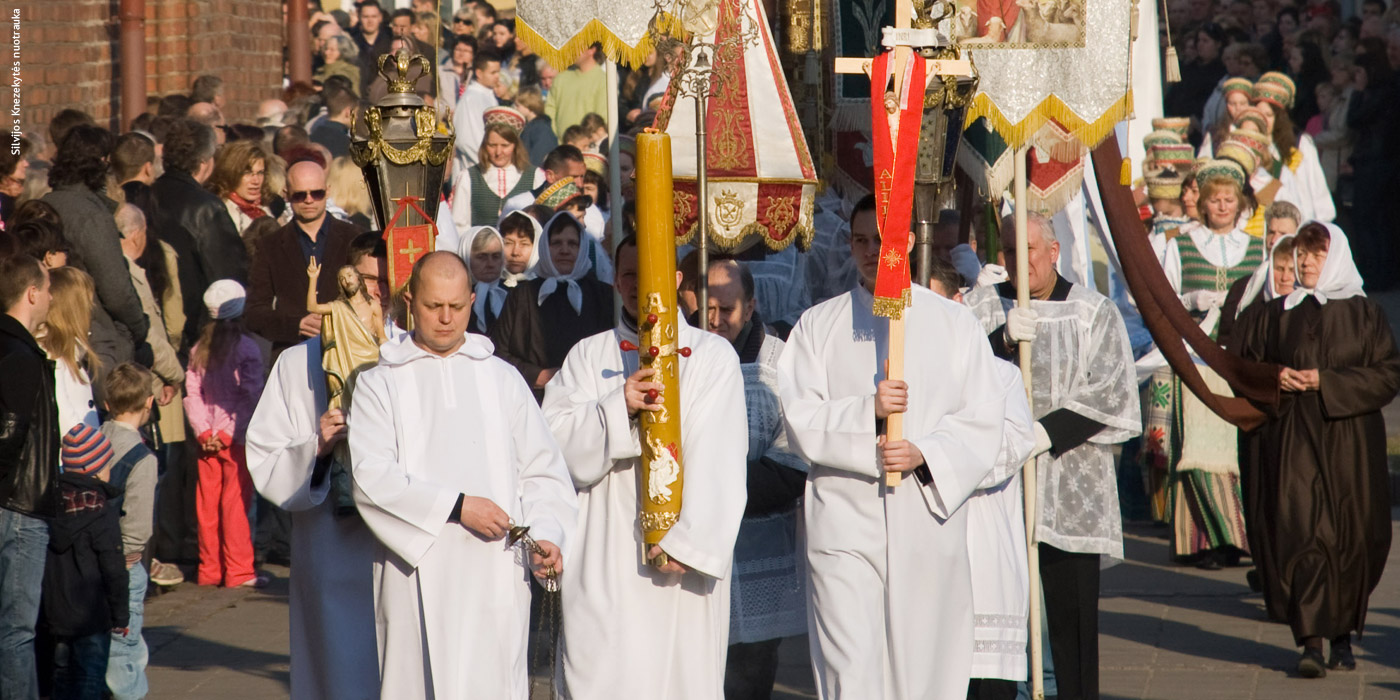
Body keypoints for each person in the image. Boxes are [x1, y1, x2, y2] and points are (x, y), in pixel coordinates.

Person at [778, 191, 1008, 700]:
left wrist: (925, 452)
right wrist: (867, 412)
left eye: (879, 240)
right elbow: (799, 417)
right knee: (850, 664)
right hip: (844, 516)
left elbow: (983, 417)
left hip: (923, 515)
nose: (867, 251)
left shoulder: (953, 325)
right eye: (859, 240)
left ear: (903, 242)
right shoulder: (820, 325)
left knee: (923, 660)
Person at [348, 251, 577, 698]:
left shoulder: (502, 379)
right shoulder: (381, 382)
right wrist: (457, 506)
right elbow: (370, 478)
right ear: (410, 299)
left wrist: (547, 534)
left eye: (458, 306)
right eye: (435, 306)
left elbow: (542, 471)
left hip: (495, 573)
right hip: (415, 570)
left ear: (473, 299)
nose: (447, 319)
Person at [542, 234, 746, 699]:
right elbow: (554, 449)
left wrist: (690, 545)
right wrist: (619, 409)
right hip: (604, 557)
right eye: (630, 274)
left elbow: (722, 459)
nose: (640, 285)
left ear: (676, 280)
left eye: (650, 273)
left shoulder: (713, 356)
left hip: (680, 570)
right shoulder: (588, 356)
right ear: (616, 281)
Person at [963, 212, 1140, 700]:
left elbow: (1111, 391)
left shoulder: (1091, 311)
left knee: (1071, 619)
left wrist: (1044, 434)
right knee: (993, 620)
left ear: (1055, 250)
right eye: (1009, 253)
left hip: (1068, 481)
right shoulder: (981, 308)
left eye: (1030, 251)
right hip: (997, 487)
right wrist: (999, 341)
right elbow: (956, 378)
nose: (1020, 264)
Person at [1232, 222, 1400, 677]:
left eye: (1315, 255)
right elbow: (1241, 363)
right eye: (1301, 255)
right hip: (1292, 437)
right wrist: (1275, 378)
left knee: (1352, 533)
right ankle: (1309, 640)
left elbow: (1388, 374)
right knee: (1299, 528)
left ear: (1336, 257)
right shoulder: (1273, 313)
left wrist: (1328, 381)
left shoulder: (1365, 315)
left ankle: (1342, 634)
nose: (1305, 264)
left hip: (1349, 442)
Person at [919, 258, 1036, 700]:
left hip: (983, 554)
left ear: (958, 304)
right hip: (924, 559)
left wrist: (929, 458)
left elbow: (1007, 450)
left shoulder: (1000, 375)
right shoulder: (899, 379)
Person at [245, 325, 381, 700]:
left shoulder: (411, 352)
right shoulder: (298, 361)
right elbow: (266, 457)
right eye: (366, 280)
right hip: (330, 547)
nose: (373, 293)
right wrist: (316, 446)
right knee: (339, 669)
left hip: (400, 552)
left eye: (384, 283)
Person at [703, 260, 808, 700]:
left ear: (750, 308)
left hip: (760, 540)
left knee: (751, 670)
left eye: (726, 309)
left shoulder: (780, 362)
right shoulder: (683, 354)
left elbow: (794, 456)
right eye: (706, 307)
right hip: (701, 544)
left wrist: (719, 488)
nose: (714, 320)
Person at [1156, 159, 1265, 567]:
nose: (1221, 206)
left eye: (1228, 200)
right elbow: (1163, 299)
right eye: (1214, 200)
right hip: (1197, 357)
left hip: (1239, 360)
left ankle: (1238, 536)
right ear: (1201, 203)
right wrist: (1191, 301)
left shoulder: (1257, 248)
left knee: (1234, 448)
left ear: (1239, 204)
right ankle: (1201, 542)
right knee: (1197, 448)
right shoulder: (1179, 244)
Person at [41, 125, 153, 376]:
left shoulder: (44, 204)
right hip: (95, 340)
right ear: (101, 163)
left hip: (51, 331)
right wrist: (138, 329)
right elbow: (116, 290)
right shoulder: (92, 216)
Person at [183, 280, 266, 588]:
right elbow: (250, 395)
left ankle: (210, 569)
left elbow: (193, 393)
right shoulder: (247, 348)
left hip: (207, 439)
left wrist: (204, 431)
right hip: (236, 439)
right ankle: (239, 570)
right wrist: (227, 432)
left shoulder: (198, 348)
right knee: (236, 504)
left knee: (206, 506)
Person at [0, 254, 56, 700]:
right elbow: (10, 432)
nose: (52, 298)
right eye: (49, 288)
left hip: (16, 502)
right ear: (32, 292)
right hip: (19, 505)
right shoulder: (21, 354)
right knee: (17, 631)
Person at [42, 425, 128, 700]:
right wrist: (120, 614)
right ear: (94, 469)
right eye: (107, 464)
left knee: (62, 675)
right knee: (90, 676)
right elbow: (113, 568)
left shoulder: (48, 507)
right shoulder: (101, 511)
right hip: (93, 614)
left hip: (57, 614)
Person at [491, 212, 613, 398]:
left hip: (590, 400)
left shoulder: (602, 295)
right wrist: (536, 375)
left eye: (572, 244)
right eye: (556, 243)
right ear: (545, 247)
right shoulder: (522, 295)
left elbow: (611, 348)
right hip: (534, 398)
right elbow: (500, 352)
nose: (564, 250)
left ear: (582, 248)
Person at [246, 160, 360, 357]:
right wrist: (297, 324)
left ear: (328, 191)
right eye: (300, 195)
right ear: (286, 194)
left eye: (316, 193)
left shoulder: (354, 238)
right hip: (293, 353)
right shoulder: (269, 246)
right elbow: (254, 313)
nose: (309, 200)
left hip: (348, 352)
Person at [98, 364, 159, 700]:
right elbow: (137, 522)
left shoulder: (92, 438)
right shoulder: (142, 457)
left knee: (111, 642)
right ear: (149, 402)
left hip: (90, 556)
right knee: (124, 645)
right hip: (123, 562)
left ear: (107, 403)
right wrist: (131, 553)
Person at [153, 118, 249, 285]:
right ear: (204, 160)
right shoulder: (207, 207)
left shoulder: (148, 193)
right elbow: (228, 274)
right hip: (195, 305)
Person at [1251, 73, 1335, 224]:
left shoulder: (1300, 144)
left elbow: (1317, 191)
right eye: (1258, 114)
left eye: (1269, 115)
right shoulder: (1248, 144)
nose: (1263, 121)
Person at [38, 267, 101, 434]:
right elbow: (65, 420)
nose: (91, 310)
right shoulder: (53, 356)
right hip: (72, 457)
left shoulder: (73, 352)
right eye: (87, 304)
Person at [451, 110, 538, 231]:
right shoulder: (469, 177)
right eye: (492, 145)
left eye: (505, 145)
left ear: (516, 146)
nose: (498, 152)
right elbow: (459, 224)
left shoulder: (535, 176)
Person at [209, 140, 275, 235]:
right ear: (231, 173)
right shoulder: (220, 212)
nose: (256, 181)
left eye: (260, 173)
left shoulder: (263, 210)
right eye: (247, 173)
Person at [452, 50, 504, 171]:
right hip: (476, 171)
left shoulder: (488, 94)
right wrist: (488, 165)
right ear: (479, 73)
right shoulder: (471, 99)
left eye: (498, 72)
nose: (498, 77)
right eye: (493, 72)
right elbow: (466, 140)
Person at [546, 44, 609, 140]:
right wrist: (558, 137)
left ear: (591, 50)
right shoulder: (561, 78)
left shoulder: (603, 80)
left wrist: (584, 142)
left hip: (588, 147)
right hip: (560, 146)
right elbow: (550, 110)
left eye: (576, 44)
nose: (570, 49)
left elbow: (602, 118)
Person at [456, 225, 507, 335]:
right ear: (466, 257)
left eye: (496, 256)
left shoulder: (510, 294)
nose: (490, 264)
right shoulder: (455, 296)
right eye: (482, 257)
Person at [351, 0, 394, 96]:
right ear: (359, 18)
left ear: (380, 18)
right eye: (366, 17)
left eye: (374, 16)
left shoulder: (391, 40)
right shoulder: (351, 41)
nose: (370, 21)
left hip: (385, 94)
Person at [498, 209, 541, 289]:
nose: (515, 252)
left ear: (536, 248)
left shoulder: (545, 289)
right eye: (508, 243)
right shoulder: (487, 287)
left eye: (524, 244)